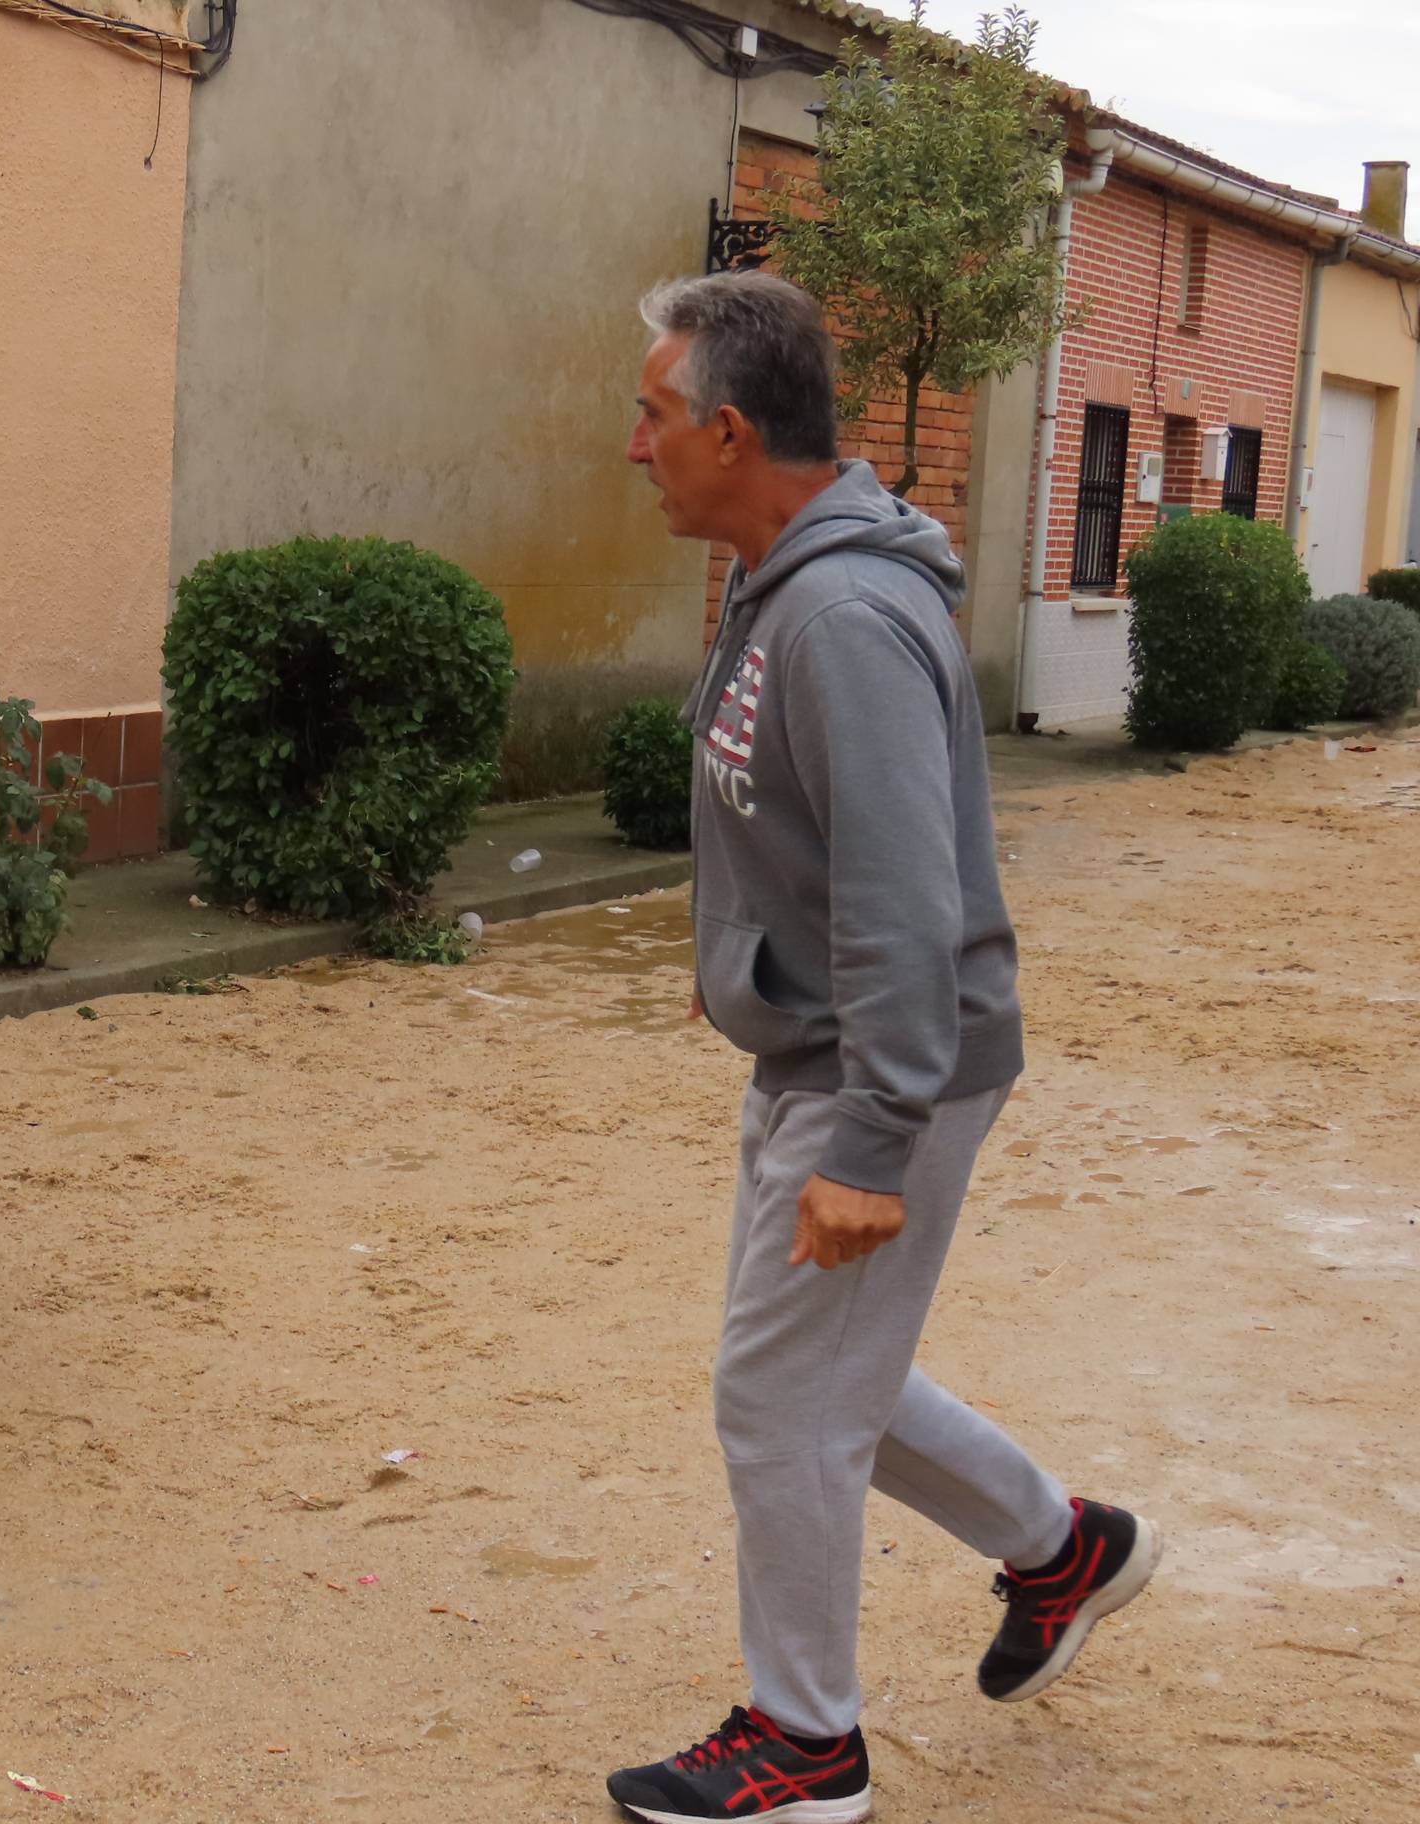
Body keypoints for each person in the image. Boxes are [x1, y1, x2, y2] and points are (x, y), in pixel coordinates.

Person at [603, 271, 1160, 1824]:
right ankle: (1064, 1551)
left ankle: (806, 1747)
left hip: (881, 1069)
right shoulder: (780, 580)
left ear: (729, 431)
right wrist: (742, 966)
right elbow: (798, 828)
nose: (635, 447)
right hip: (826, 1048)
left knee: (781, 1401)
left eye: (653, 417)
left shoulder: (842, 615)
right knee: (814, 1375)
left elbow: (910, 902)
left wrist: (870, 1138)